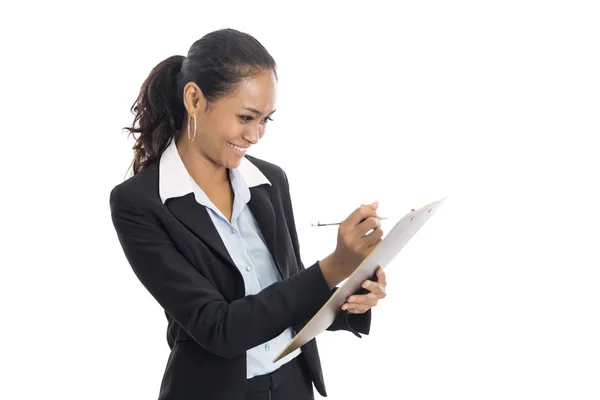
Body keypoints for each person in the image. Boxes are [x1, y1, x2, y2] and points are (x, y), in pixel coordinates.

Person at [109, 28, 387, 400]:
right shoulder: (140, 203)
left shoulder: (269, 181)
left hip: (292, 386)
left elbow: (288, 294)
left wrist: (352, 300)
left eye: (265, 120)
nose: (255, 135)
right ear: (194, 99)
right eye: (245, 117)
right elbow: (219, 329)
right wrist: (334, 265)